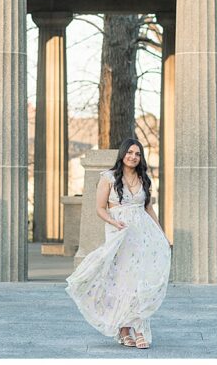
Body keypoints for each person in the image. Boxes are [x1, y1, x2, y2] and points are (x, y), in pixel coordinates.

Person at [66, 138, 171, 350]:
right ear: (123, 154)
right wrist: (113, 221)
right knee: (121, 279)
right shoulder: (108, 178)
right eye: (130, 152)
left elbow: (148, 209)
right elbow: (100, 208)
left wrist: (161, 234)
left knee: (139, 279)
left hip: (142, 234)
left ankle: (139, 329)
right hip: (120, 233)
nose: (133, 157)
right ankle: (124, 329)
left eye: (138, 154)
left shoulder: (144, 179)